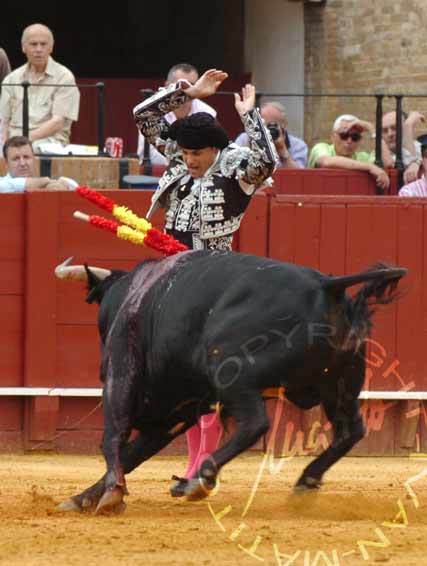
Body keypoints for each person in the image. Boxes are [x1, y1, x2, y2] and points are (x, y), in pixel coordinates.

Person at [134, 68, 276, 496]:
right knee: (182, 376)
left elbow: (266, 160)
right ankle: (194, 466)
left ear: (216, 148)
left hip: (214, 281)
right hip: (172, 275)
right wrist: (185, 94)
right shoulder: (180, 156)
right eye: (185, 152)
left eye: (197, 153)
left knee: (206, 375)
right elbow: (143, 117)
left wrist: (251, 117)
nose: (189, 160)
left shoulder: (235, 166)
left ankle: (201, 468)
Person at [0, 23, 80, 152]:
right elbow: (4, 122)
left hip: (49, 142)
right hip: (13, 143)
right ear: (23, 47)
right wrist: (3, 147)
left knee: (31, 149)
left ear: (51, 47)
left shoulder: (64, 77)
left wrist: (24, 141)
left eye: (43, 44)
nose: (38, 49)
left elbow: (58, 122)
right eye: (33, 44)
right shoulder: (11, 79)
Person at [137, 62, 216, 168]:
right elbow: (145, 154)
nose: (188, 90)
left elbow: (209, 154)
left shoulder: (208, 112)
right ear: (167, 86)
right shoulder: (154, 111)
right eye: (182, 86)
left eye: (193, 85)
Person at [308, 113, 393, 192]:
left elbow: (388, 162)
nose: (349, 141)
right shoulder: (321, 147)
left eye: (354, 137)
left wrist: (372, 130)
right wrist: (370, 167)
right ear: (332, 137)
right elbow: (326, 162)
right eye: (344, 135)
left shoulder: (362, 157)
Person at [235, 100, 307, 168]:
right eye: (263, 126)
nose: (267, 131)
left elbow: (299, 176)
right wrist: (251, 143)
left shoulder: (298, 145)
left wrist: (283, 151)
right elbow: (234, 168)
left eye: (272, 126)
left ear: (284, 125)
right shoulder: (244, 139)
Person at [0, 135, 78, 192]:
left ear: (34, 159)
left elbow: (76, 187)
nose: (22, 163)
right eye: (16, 159)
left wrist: (65, 186)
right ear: (6, 163)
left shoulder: (48, 185)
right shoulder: (2, 183)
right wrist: (45, 181)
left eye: (26, 157)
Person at [382, 110, 425, 185]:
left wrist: (408, 125)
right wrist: (415, 162)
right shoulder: (377, 155)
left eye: (394, 128)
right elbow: (390, 163)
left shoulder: (420, 147)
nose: (389, 134)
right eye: (385, 131)